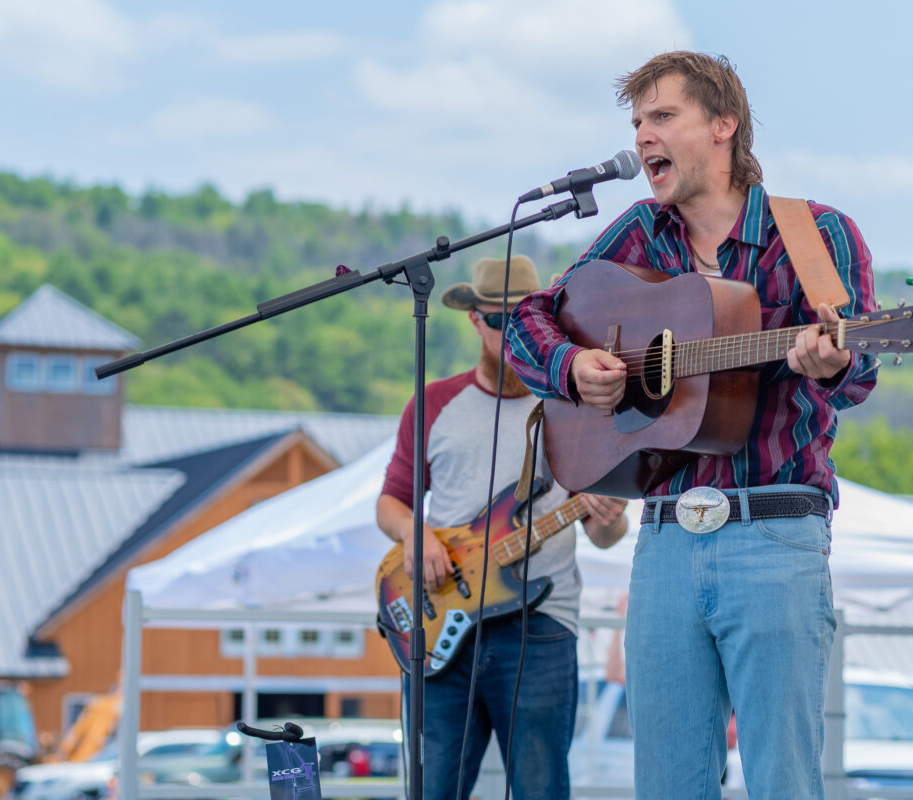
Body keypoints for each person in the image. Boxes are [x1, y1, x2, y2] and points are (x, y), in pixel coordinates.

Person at [503, 52, 878, 798]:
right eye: (637, 122)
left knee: (783, 782)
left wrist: (828, 361)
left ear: (723, 126)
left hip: (774, 530)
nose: (644, 137)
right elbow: (529, 317)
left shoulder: (812, 234)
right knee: (667, 784)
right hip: (666, 537)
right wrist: (573, 368)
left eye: (662, 117)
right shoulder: (642, 234)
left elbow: (859, 368)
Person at [375, 254, 628, 800]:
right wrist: (415, 535)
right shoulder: (434, 402)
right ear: (473, 321)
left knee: (541, 789)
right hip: (440, 619)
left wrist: (609, 515)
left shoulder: (576, 405)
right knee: (432, 788)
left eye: (523, 320)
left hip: (540, 625)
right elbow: (392, 503)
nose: (509, 334)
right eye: (497, 321)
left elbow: (604, 535)